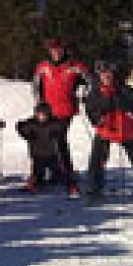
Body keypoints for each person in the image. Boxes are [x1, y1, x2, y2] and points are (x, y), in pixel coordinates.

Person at [83, 61, 133, 201]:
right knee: (97, 160)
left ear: (113, 74)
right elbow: (90, 110)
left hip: (128, 130)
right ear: (98, 75)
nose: (106, 76)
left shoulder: (126, 89)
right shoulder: (95, 92)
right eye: (102, 73)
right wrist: (97, 119)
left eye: (108, 73)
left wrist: (127, 107)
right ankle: (94, 190)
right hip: (105, 130)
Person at [32, 38, 90, 195]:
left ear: (64, 50)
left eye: (59, 50)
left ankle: (67, 174)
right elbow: (36, 86)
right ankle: (54, 172)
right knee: (45, 140)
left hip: (66, 110)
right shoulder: (43, 66)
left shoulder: (75, 66)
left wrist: (83, 92)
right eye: (53, 50)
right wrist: (39, 105)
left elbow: (90, 81)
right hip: (47, 111)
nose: (56, 53)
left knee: (58, 140)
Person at [16, 103, 66, 191]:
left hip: (51, 153)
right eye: (39, 115)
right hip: (37, 154)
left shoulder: (53, 123)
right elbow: (21, 126)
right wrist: (26, 134)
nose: (42, 117)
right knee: (38, 172)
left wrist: (57, 134)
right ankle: (37, 181)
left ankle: (58, 177)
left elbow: (61, 127)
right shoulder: (32, 123)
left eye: (44, 115)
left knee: (57, 171)